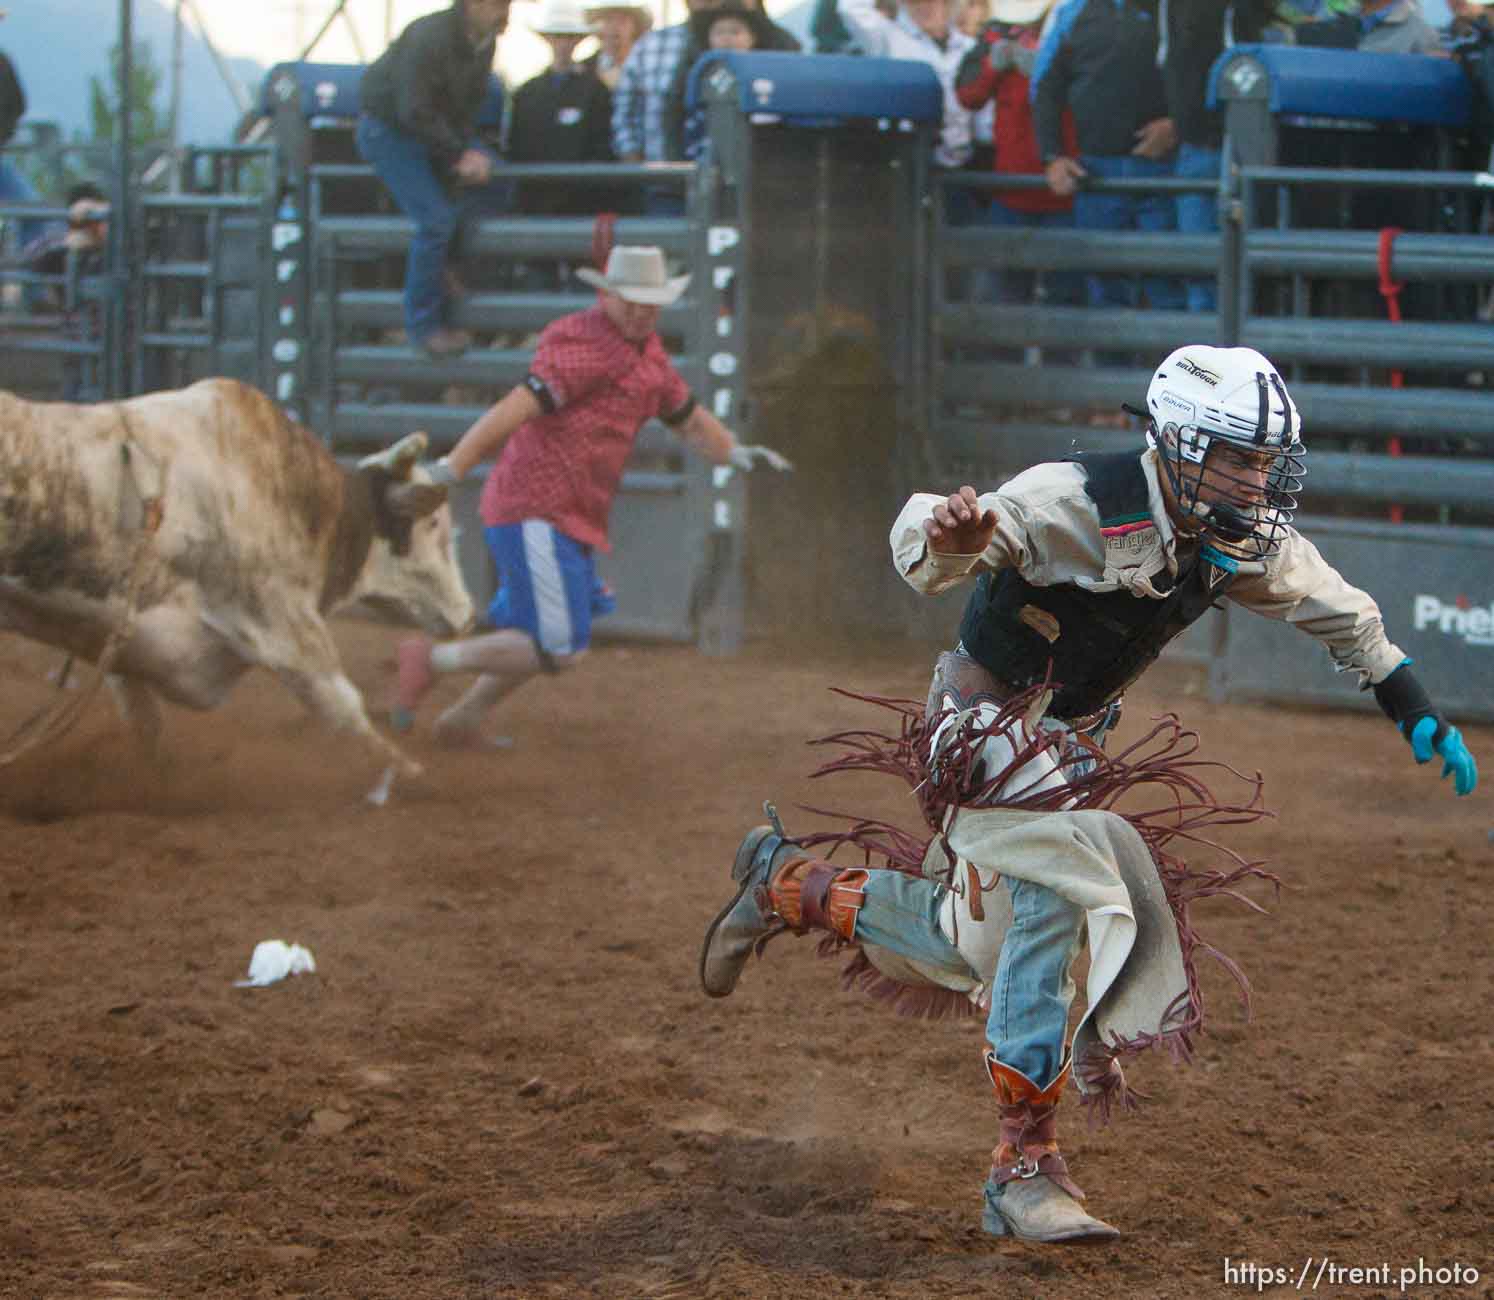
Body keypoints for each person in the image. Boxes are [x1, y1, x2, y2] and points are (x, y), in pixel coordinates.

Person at [705, 342, 1477, 1244]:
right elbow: (947, 536)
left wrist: (1409, 701)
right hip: (982, 728)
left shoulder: (1230, 539)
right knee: (1057, 894)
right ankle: (1023, 1169)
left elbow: (1338, 609)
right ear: (1179, 447)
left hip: (1069, 746)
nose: (1254, 484)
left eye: (1264, 464)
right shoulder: (1073, 502)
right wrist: (948, 538)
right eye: (1236, 459)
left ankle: (783, 883)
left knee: (969, 948)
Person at [388, 245, 792, 747]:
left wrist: (732, 451)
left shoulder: (649, 353)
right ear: (606, 296)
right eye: (630, 299)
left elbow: (685, 415)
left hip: (568, 515)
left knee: (542, 637)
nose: (641, 310)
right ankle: (429, 661)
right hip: (534, 506)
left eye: (650, 301)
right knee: (557, 644)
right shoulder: (581, 346)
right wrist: (453, 467)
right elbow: (516, 408)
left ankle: (463, 718)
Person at [356, 0, 515, 358]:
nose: (503, 10)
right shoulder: (429, 34)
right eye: (495, 2)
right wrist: (459, 151)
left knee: (496, 182)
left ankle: (449, 269)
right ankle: (424, 326)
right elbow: (411, 108)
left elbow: (463, 107)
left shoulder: (483, 41)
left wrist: (463, 148)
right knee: (434, 219)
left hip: (430, 130)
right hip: (391, 131)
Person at [1032, 0, 1183, 318]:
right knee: (1106, 290)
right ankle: (1110, 365)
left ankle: (1178, 368)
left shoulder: (1174, 8)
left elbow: (1202, 73)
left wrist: (1177, 125)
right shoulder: (1071, 13)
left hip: (1166, 171)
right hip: (1097, 175)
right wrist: (1052, 156)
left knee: (1169, 287)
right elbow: (1044, 86)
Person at [955, 0, 1084, 322]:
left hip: (1065, 194)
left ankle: (1060, 369)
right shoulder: (995, 37)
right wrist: (993, 66)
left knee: (1064, 306)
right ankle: (1002, 370)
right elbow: (968, 95)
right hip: (1013, 194)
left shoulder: (1078, 31)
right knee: (1002, 304)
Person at [505, 0, 616, 215]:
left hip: (581, 201)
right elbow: (516, 146)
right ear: (547, 39)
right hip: (534, 199)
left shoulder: (596, 91)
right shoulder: (526, 93)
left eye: (569, 37)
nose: (563, 44)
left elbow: (602, 146)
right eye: (558, 36)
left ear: (578, 41)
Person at [663, 3, 787, 162]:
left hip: (757, 153)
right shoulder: (696, 72)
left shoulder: (767, 71)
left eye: (735, 32)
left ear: (752, 38)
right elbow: (674, 116)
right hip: (704, 153)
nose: (726, 38)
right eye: (719, 32)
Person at [582, 0, 653, 91]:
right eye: (609, 20)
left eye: (622, 21)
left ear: (635, 27)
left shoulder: (648, 66)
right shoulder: (584, 69)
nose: (614, 27)